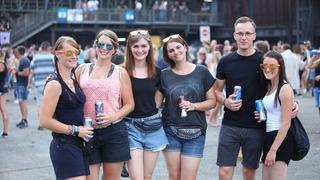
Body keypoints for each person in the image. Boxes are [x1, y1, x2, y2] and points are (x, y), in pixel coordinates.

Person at [214, 16, 298, 180]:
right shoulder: (225, 62)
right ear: (234, 35)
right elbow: (216, 90)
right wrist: (225, 101)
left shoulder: (264, 60)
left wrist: (294, 104)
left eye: (247, 33)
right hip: (230, 125)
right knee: (224, 172)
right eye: (240, 33)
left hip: (256, 127)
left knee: (248, 172)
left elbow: (280, 86)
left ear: (254, 35)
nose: (243, 37)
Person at [75, 29, 134, 180]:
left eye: (109, 46)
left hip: (113, 131)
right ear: (95, 46)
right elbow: (70, 94)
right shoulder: (82, 69)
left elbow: (129, 104)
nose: (104, 49)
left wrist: (113, 117)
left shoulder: (120, 72)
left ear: (115, 50)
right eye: (101, 44)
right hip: (87, 132)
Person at [160, 34, 216, 180]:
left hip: (196, 132)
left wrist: (194, 105)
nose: (175, 52)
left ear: (185, 47)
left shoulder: (201, 71)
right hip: (170, 131)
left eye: (178, 47)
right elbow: (156, 103)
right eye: (171, 50)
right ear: (168, 55)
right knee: (174, 176)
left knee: (189, 177)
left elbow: (212, 101)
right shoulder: (164, 75)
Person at [39, 36, 94, 180]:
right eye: (69, 53)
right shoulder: (54, 84)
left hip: (79, 145)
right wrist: (77, 130)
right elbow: (44, 121)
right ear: (57, 54)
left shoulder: (73, 79)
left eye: (77, 52)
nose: (75, 56)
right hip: (64, 145)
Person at [123, 29, 168, 180]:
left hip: (153, 126)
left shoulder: (157, 71)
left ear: (149, 47)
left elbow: (158, 100)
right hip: (130, 126)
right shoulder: (122, 71)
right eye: (135, 46)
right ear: (130, 48)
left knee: (147, 176)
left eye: (143, 46)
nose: (140, 50)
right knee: (137, 177)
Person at [257, 51, 295, 180]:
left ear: (280, 67)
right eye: (264, 66)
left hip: (280, 140)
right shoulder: (270, 87)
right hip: (269, 137)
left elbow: (286, 123)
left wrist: (273, 150)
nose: (267, 69)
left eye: (272, 66)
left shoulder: (284, 88)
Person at [28, 41, 55, 130]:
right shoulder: (52, 57)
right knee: (52, 104)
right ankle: (51, 123)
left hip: (39, 84)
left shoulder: (35, 58)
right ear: (48, 48)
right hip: (50, 84)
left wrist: (29, 84)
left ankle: (41, 123)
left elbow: (31, 72)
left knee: (40, 104)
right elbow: (56, 70)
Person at [13, 46, 30, 129]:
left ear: (18, 52)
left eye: (15, 52)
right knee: (21, 102)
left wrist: (16, 72)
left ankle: (25, 120)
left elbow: (26, 73)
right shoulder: (22, 60)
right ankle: (23, 119)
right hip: (20, 84)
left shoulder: (24, 60)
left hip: (23, 84)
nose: (14, 54)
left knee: (23, 102)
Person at [0, 50, 9, 137]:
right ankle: (5, 131)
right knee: (3, 109)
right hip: (2, 89)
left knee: (3, 109)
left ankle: (5, 131)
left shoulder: (1, 64)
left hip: (1, 89)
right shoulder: (3, 63)